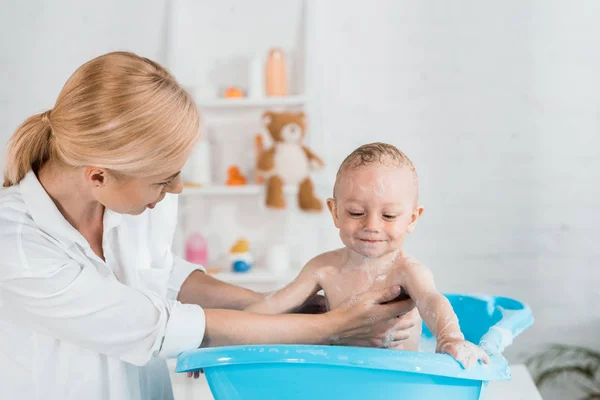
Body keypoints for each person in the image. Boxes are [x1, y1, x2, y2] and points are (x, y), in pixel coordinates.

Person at [0, 52, 418, 400]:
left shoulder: (132, 204)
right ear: (98, 176)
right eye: (164, 179)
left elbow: (161, 275)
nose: (177, 187)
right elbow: (158, 328)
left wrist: (279, 305)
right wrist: (331, 328)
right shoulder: (15, 244)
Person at [246, 142, 491, 368]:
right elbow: (276, 304)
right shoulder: (323, 268)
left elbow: (432, 301)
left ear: (412, 218)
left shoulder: (406, 271)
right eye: (355, 212)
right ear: (335, 212)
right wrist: (229, 335)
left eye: (389, 216)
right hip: (336, 379)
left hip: (396, 381)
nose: (372, 225)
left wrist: (450, 338)